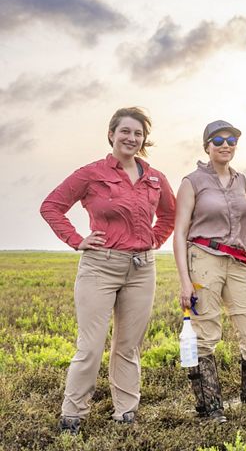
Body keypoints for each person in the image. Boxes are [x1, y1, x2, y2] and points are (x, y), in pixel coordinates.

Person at [40, 107, 176, 434]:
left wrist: (152, 240)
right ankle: (73, 415)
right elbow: (51, 206)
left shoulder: (155, 177)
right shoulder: (91, 174)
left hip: (142, 269)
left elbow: (170, 216)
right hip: (100, 267)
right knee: (90, 345)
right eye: (125, 131)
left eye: (138, 133)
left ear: (144, 139)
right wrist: (76, 239)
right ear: (112, 134)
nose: (131, 138)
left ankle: (126, 412)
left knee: (128, 346)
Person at [173, 120, 246, 423]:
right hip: (203, 257)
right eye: (218, 140)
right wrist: (185, 281)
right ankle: (210, 410)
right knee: (204, 335)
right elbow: (179, 233)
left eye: (231, 140)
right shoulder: (192, 181)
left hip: (237, 261)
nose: (225, 144)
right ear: (207, 146)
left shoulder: (241, 180)